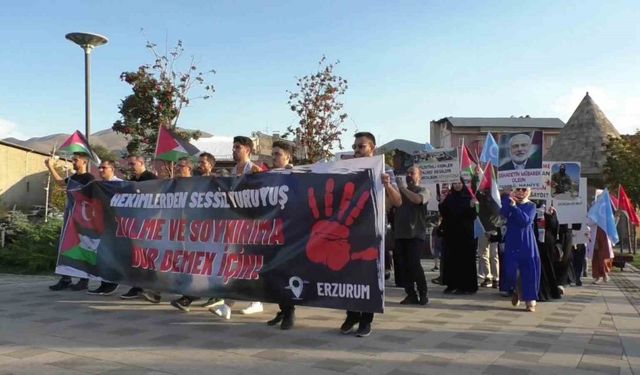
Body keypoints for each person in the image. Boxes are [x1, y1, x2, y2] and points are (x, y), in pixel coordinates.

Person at [340, 132, 402, 337]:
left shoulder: (385, 170)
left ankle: (366, 319)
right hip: (349, 231)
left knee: (368, 276)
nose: (357, 150)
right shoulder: (347, 170)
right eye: (355, 147)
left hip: (372, 232)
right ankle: (352, 314)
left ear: (372, 148)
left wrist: (387, 185)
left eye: (361, 147)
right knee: (348, 276)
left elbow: (397, 201)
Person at [209, 136, 264, 319]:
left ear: (248, 150)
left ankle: (241, 303)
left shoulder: (255, 170)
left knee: (244, 265)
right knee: (234, 264)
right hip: (235, 224)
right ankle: (233, 304)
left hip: (251, 225)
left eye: (238, 147)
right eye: (233, 147)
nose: (234, 150)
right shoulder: (233, 171)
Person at [46, 152, 95, 291]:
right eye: (73, 160)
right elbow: (60, 182)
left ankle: (83, 279)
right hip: (70, 216)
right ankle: (65, 278)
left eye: (76, 160)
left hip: (82, 218)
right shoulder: (74, 177)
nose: (73, 162)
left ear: (84, 162)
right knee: (66, 246)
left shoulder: (89, 178)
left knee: (82, 247)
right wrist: (50, 167)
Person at [266, 141, 297, 330]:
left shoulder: (294, 175)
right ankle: (283, 310)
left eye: (277, 154)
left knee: (286, 273)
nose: (274, 157)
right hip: (270, 232)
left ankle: (289, 311)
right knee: (274, 274)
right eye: (273, 154)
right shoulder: (268, 176)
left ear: (287, 157)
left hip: (290, 232)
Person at [120, 155, 158, 300]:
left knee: (148, 256)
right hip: (136, 224)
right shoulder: (133, 181)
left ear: (142, 163)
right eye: (129, 164)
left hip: (150, 223)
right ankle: (138, 286)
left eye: (133, 163)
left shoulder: (151, 178)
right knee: (137, 256)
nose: (130, 166)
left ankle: (149, 286)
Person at [394, 166, 430, 305]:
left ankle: (423, 292)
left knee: (414, 264)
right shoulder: (400, 191)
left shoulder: (423, 190)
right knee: (404, 266)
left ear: (419, 176)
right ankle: (410, 294)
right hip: (400, 234)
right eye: (407, 173)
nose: (409, 175)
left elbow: (417, 200)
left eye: (412, 173)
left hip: (416, 234)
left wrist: (403, 188)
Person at [500, 187, 541, 312]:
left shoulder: (531, 206)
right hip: (512, 241)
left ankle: (530, 300)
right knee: (511, 271)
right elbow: (502, 213)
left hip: (527, 242)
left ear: (529, 191)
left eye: (524, 189)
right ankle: (517, 290)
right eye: (518, 189)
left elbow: (525, 221)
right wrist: (508, 198)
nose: (521, 192)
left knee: (529, 271)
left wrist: (515, 208)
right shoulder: (509, 202)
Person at [87, 160, 122, 296]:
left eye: (104, 168)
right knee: (102, 254)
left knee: (112, 254)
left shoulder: (119, 184)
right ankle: (105, 283)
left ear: (112, 169)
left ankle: (112, 282)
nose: (101, 170)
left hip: (117, 225)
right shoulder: (99, 185)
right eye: (99, 167)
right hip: (103, 223)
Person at [439, 180, 478, 295]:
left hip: (465, 234)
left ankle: (466, 286)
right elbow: (445, 214)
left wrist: (472, 207)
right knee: (451, 259)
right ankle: (451, 285)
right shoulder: (449, 198)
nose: (457, 185)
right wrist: (441, 203)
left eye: (459, 183)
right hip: (451, 234)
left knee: (465, 260)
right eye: (455, 183)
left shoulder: (468, 198)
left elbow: (473, 216)